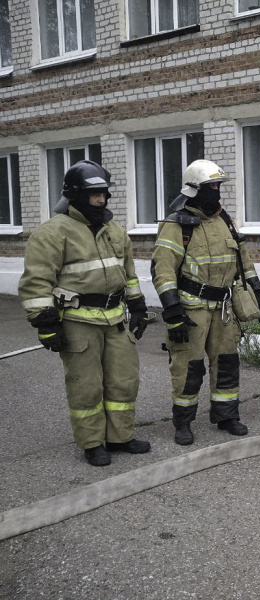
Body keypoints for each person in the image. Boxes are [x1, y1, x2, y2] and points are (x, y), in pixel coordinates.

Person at [18, 160, 151, 467]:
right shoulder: (53, 232)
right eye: (94, 194)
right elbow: (37, 281)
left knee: (123, 381)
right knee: (86, 385)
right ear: (75, 195)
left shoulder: (114, 230)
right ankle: (92, 443)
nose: (101, 199)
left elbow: (128, 274)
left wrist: (138, 307)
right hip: (78, 321)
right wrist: (45, 323)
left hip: (116, 319)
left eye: (104, 193)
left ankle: (120, 437)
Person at [151, 159, 260, 445]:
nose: (216, 192)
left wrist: (259, 295)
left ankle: (227, 415)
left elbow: (244, 263)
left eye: (218, 186)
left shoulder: (224, 221)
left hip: (224, 310)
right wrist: (173, 311)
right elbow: (163, 270)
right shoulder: (176, 225)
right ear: (194, 189)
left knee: (227, 363)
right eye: (210, 186)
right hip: (192, 310)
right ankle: (183, 422)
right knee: (188, 368)